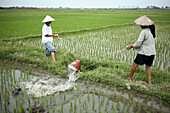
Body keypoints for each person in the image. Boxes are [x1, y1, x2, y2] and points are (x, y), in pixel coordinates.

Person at [126, 15, 156, 85]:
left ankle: (129, 78)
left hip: (144, 52)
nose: (139, 26)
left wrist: (131, 46)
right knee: (148, 67)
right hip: (152, 52)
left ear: (143, 25)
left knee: (134, 65)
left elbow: (139, 43)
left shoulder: (144, 32)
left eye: (140, 24)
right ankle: (149, 82)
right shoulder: (152, 31)